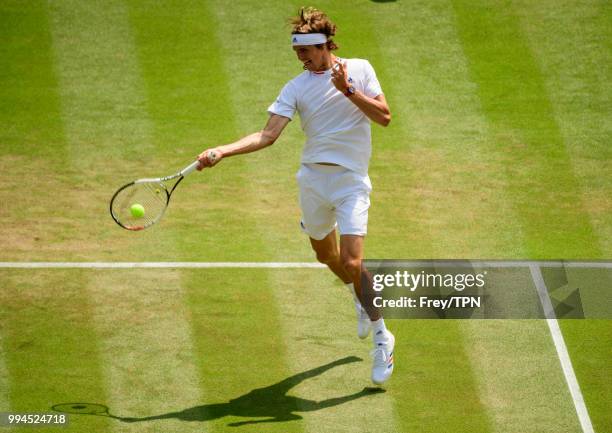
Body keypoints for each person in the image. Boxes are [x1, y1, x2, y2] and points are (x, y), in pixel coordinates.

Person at [196, 7, 394, 385]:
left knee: (353, 263)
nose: (301, 58)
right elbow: (267, 135)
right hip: (313, 182)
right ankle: (359, 292)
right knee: (325, 256)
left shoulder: (361, 69)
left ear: (325, 46)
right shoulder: (296, 87)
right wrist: (222, 150)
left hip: (351, 182)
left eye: (307, 51)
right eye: (297, 53)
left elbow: (384, 117)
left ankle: (382, 334)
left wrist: (348, 90)